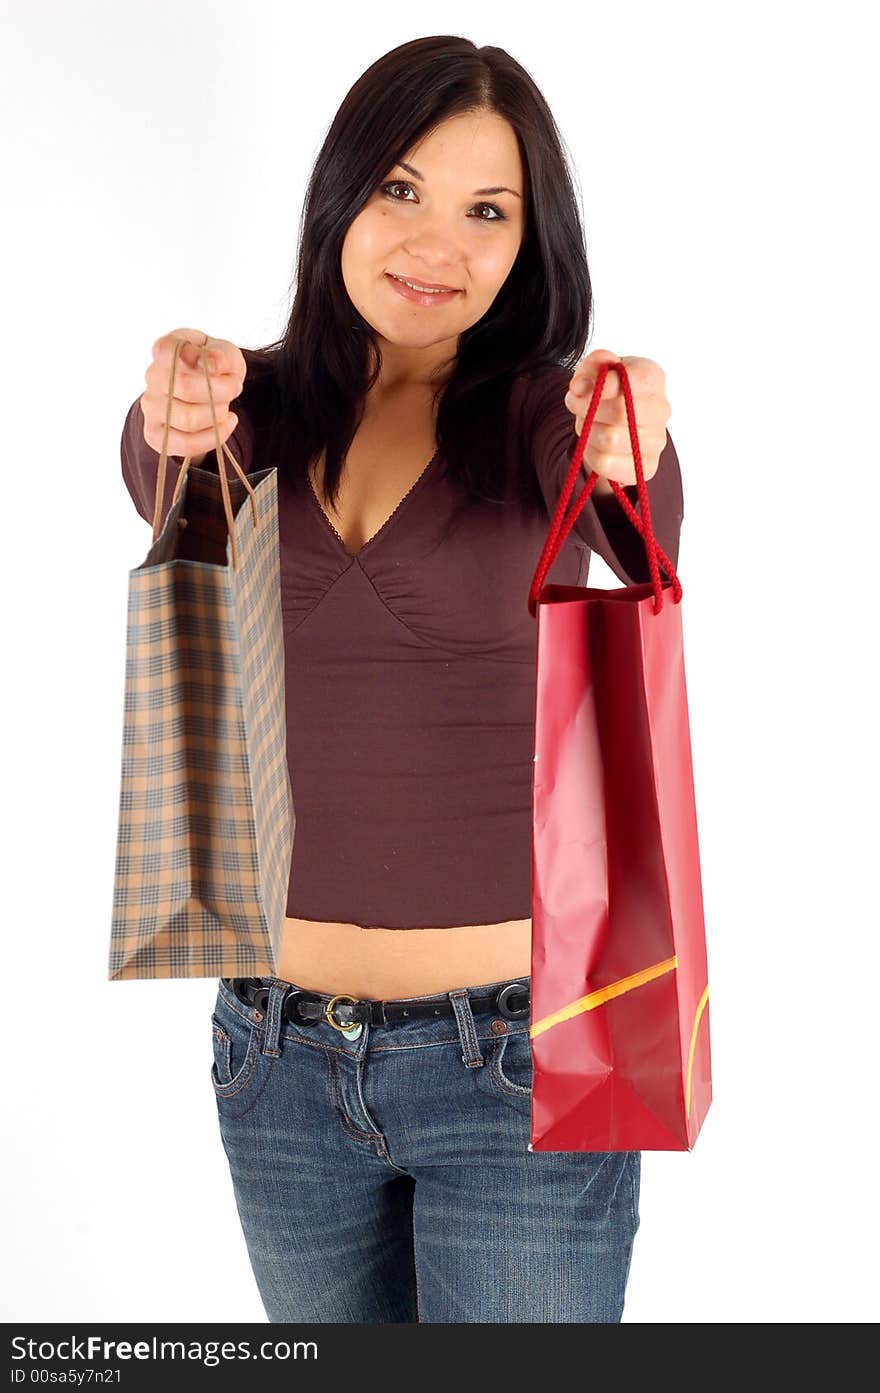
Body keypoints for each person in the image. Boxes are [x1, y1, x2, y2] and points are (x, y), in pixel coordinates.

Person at [120, 34, 683, 1324]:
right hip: (272, 1056)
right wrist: (169, 406)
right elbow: (165, 485)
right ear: (340, 200)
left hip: (523, 1062)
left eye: (488, 210)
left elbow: (642, 532)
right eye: (402, 190)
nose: (438, 243)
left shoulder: (544, 413)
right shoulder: (245, 409)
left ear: (530, 242)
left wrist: (633, 440)